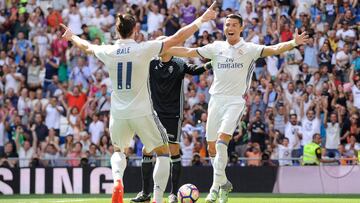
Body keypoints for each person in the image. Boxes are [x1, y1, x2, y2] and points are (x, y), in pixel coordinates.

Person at [60, 3, 216, 203]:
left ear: (117, 31)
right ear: (135, 30)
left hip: (118, 113)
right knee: (163, 152)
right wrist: (202, 19)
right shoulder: (144, 49)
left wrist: (71, 36)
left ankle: (117, 181)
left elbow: (87, 47)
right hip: (142, 112)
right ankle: (158, 198)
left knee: (119, 151)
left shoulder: (108, 50)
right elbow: (177, 38)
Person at [167, 13, 309, 203]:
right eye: (227, 24)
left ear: (241, 28)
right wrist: (164, 48)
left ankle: (214, 189)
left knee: (221, 142)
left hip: (235, 101)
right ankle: (224, 183)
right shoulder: (216, 47)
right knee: (211, 148)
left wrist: (293, 42)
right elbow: (189, 52)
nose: (230, 27)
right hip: (215, 101)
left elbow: (274, 49)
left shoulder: (249, 49)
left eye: (234, 24)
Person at [131, 36, 212, 203]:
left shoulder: (179, 63)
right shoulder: (151, 63)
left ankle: (174, 193)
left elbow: (195, 70)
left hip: (173, 114)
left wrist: (212, 63)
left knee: (173, 151)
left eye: (161, 45)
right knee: (147, 150)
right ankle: (146, 193)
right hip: (154, 114)